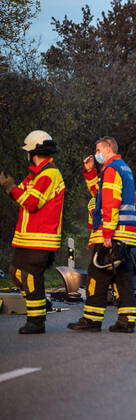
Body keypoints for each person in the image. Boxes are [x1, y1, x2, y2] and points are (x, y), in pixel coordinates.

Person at [68, 136, 136, 333]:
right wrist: (91, 171)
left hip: (112, 234)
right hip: (126, 234)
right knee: (122, 277)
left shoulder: (111, 169)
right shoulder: (123, 168)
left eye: (98, 150)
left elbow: (109, 202)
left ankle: (91, 320)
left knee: (97, 276)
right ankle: (127, 321)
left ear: (107, 148)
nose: (96, 153)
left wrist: (107, 234)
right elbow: (99, 193)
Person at [0, 130, 65, 334]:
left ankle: (36, 322)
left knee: (30, 276)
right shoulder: (35, 175)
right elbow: (21, 195)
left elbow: (31, 203)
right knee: (16, 272)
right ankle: (40, 303)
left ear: (34, 151)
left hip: (40, 239)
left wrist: (11, 187)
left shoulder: (49, 174)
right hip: (27, 238)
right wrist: (11, 188)